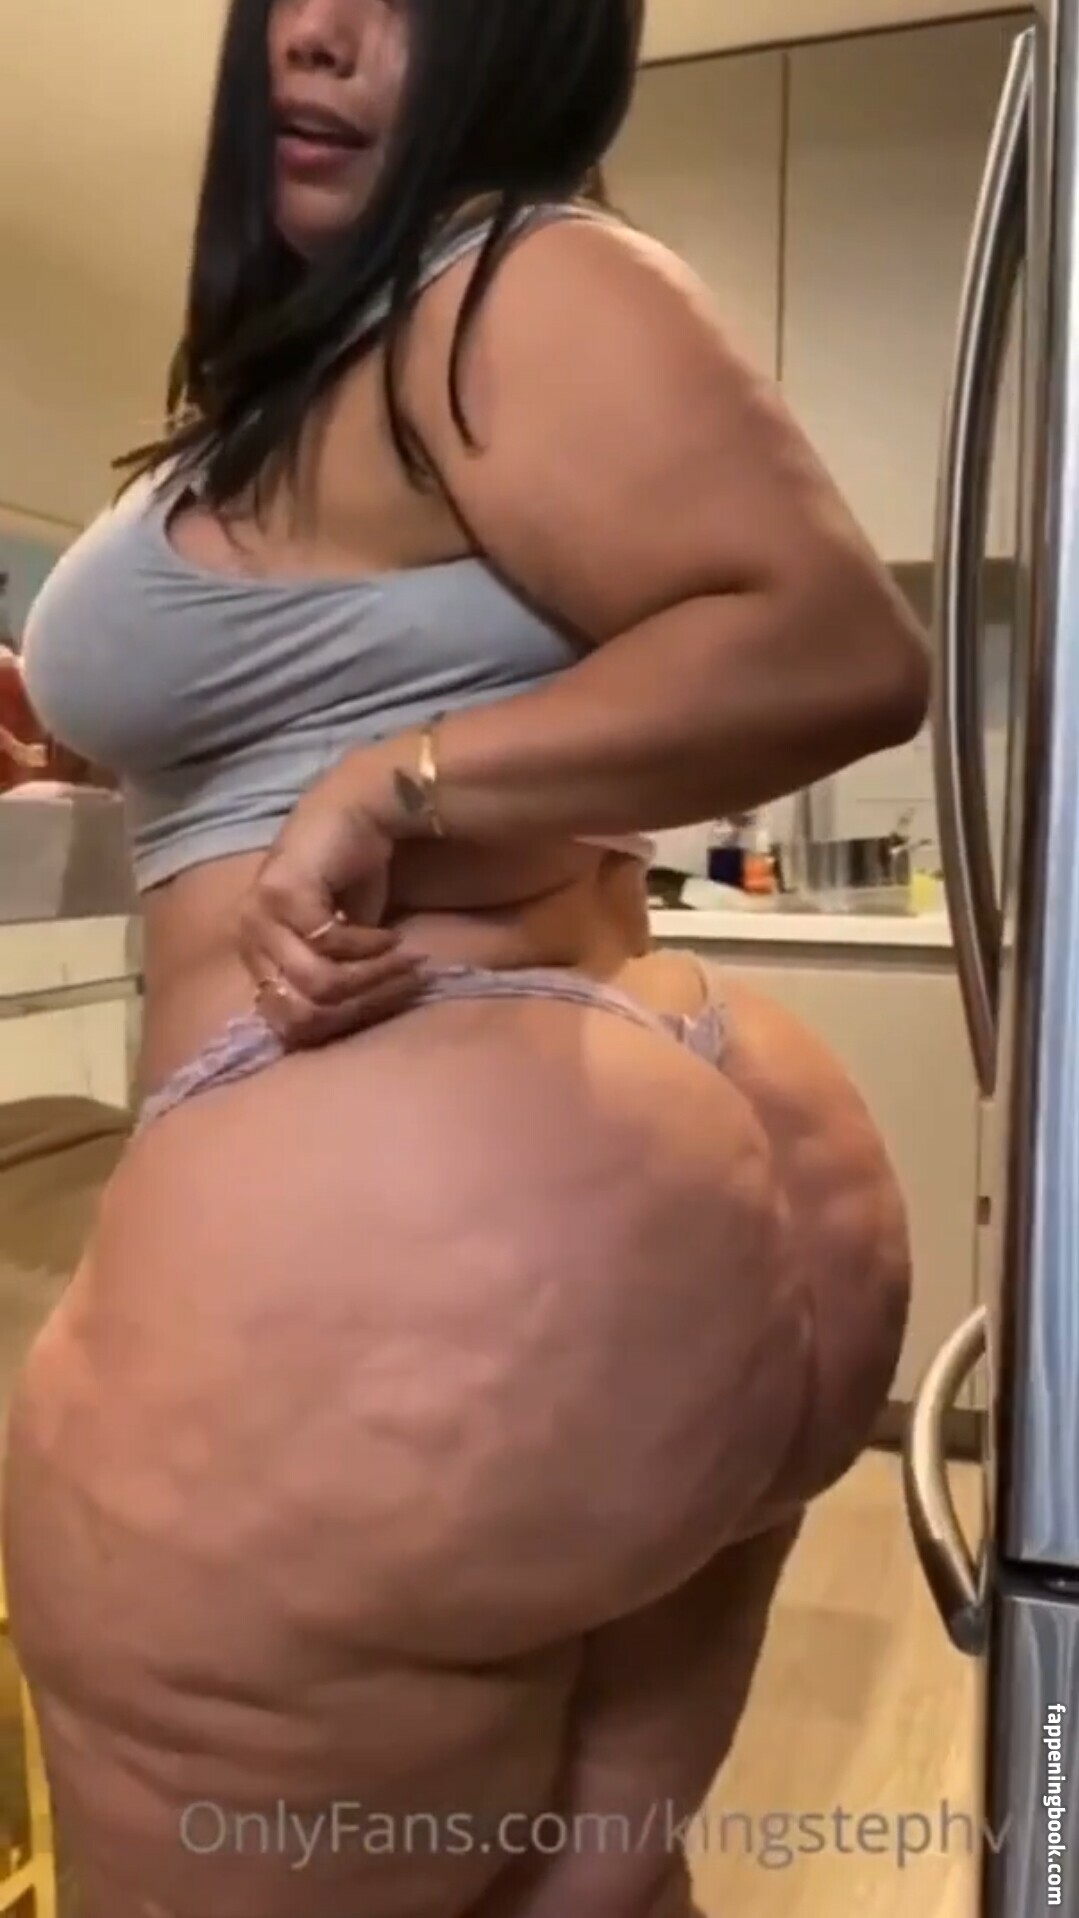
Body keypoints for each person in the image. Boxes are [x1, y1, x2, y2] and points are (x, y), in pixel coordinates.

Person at [0, 1, 927, 1914]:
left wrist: (396, 780)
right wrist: (127, 748)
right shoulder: (357, 352)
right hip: (615, 1208)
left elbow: (836, 644)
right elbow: (342, 694)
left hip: (403, 1284)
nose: (321, 35)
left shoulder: (500, 278)